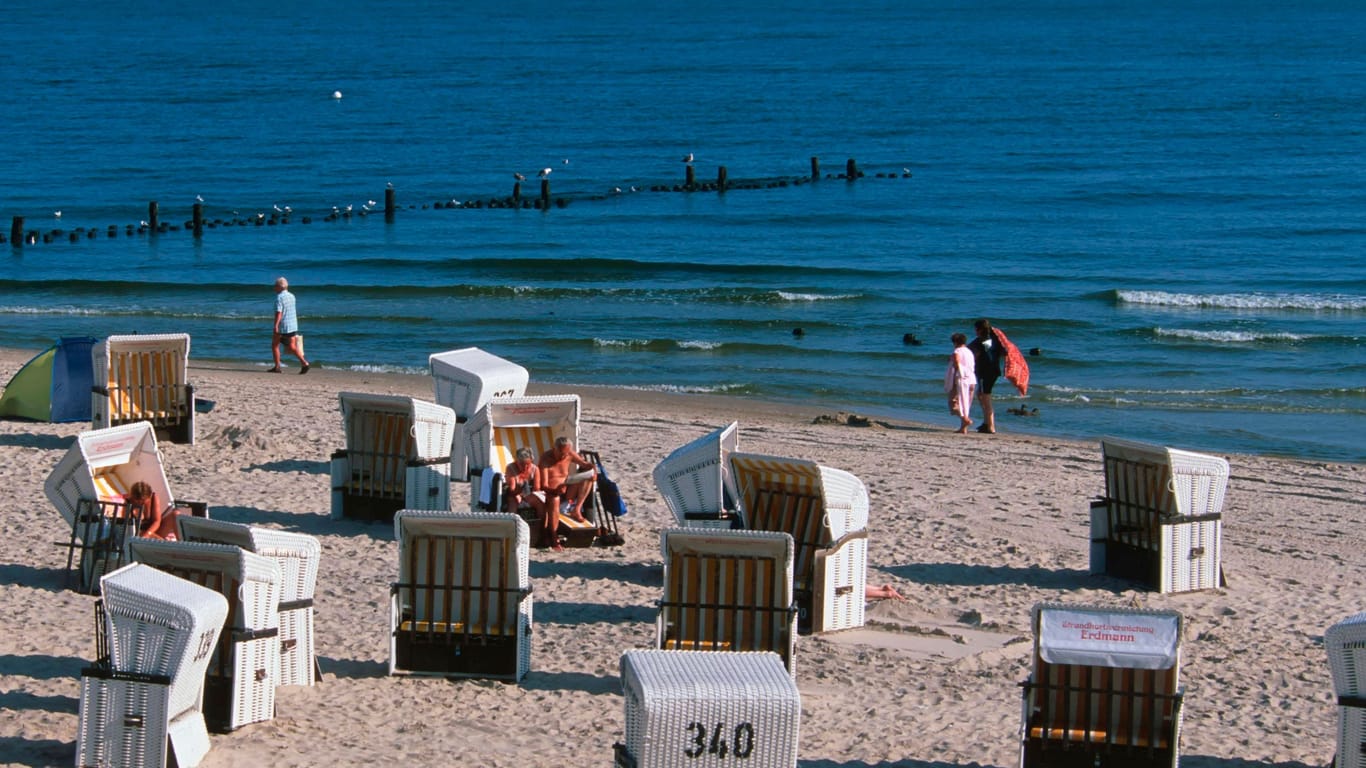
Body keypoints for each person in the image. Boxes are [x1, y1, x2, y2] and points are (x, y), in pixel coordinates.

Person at [539, 437, 596, 551]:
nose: (564, 456)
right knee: (555, 499)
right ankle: (554, 536)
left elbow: (584, 464)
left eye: (566, 453)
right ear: (554, 448)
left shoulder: (569, 454)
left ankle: (577, 509)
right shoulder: (546, 459)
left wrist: (593, 469)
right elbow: (543, 485)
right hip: (551, 492)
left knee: (588, 478)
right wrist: (555, 491)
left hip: (567, 489)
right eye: (561, 453)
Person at [968, 318, 1002, 434]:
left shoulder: (980, 341)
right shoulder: (995, 339)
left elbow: (969, 351)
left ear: (980, 329)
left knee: (985, 397)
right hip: (994, 371)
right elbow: (1002, 352)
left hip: (985, 372)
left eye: (976, 329)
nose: (975, 331)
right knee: (981, 394)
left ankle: (991, 426)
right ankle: (986, 422)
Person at [271, 276, 310, 374]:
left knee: (275, 345)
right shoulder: (292, 296)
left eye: (275, 286)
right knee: (292, 347)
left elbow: (279, 313)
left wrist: (276, 325)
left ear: (280, 287)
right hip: (292, 325)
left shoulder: (279, 298)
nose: (274, 288)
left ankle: (277, 367)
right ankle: (304, 362)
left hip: (283, 326)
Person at [504, 446, 547, 526]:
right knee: (513, 501)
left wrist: (529, 497)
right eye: (522, 464)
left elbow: (536, 488)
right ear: (517, 461)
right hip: (515, 494)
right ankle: (511, 528)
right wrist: (519, 493)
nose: (525, 467)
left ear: (531, 461)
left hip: (530, 494)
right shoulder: (511, 468)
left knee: (541, 503)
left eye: (528, 464)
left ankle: (542, 530)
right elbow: (512, 489)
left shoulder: (535, 469)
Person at [944, 332, 976, 434]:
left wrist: (958, 368)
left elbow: (957, 360)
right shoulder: (969, 352)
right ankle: (963, 428)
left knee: (953, 403)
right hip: (971, 379)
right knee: (966, 403)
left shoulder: (957, 351)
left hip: (961, 379)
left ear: (955, 342)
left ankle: (965, 419)